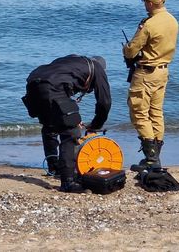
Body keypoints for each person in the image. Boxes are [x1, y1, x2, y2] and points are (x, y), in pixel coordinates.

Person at [22, 55, 112, 193]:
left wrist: (67, 116)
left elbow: (57, 81)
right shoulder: (97, 68)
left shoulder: (73, 62)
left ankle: (53, 166)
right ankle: (68, 182)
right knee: (71, 132)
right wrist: (95, 125)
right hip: (51, 86)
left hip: (33, 83)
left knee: (50, 125)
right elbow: (104, 103)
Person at [123, 0, 179, 171]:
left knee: (139, 112)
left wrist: (126, 49)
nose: (143, 4)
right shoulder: (172, 21)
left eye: (144, 1)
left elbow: (132, 50)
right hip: (163, 71)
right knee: (156, 112)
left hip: (146, 72)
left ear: (150, 2)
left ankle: (151, 158)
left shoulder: (149, 25)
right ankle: (155, 155)